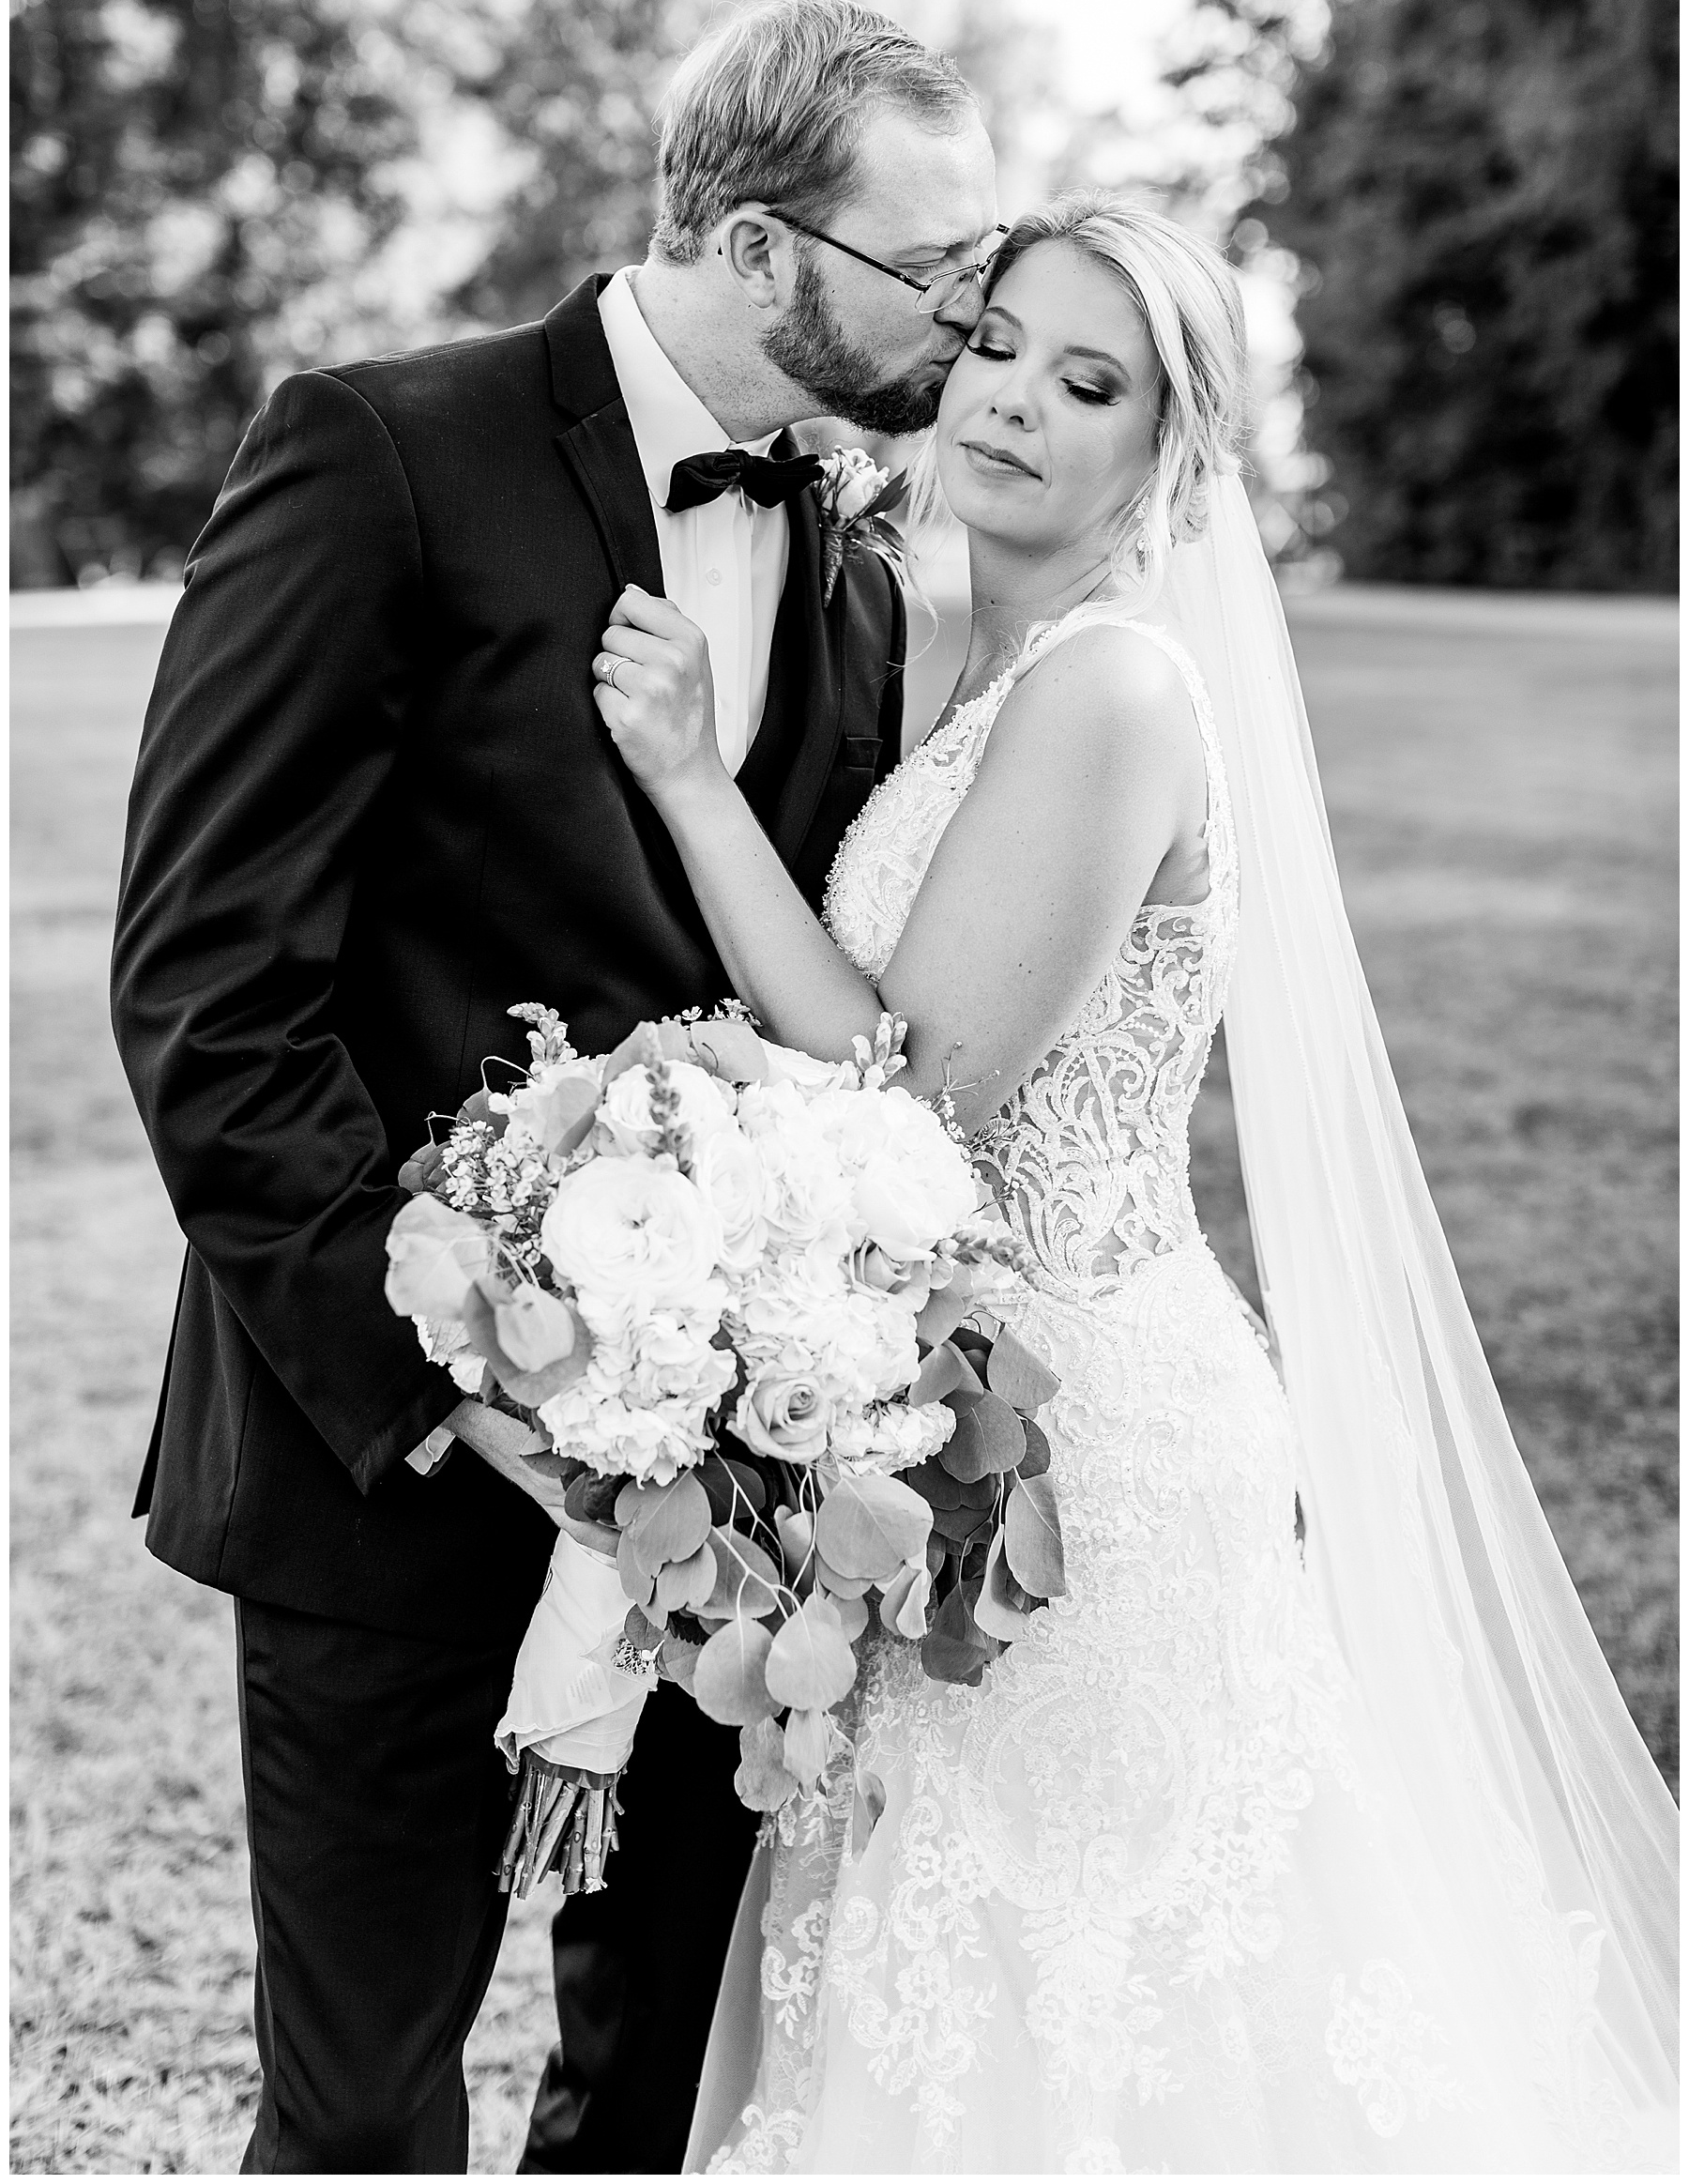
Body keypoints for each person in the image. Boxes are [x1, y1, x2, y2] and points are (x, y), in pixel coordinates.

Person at [589, 191, 1679, 2172]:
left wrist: (679, 777)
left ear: (1168, 453)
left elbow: (904, 1081)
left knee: (1110, 2004)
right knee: (956, 1986)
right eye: (995, 346)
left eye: (1086, 382)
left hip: (1097, 1455)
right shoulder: (952, 668)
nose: (1010, 403)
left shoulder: (1115, 691)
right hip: (949, 1433)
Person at [109, 0, 1000, 2174]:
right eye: (930, 267)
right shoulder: (380, 447)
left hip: (745, 1503)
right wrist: (449, 1393)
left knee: (654, 2113)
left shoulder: (861, 564)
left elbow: (809, 1003)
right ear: (767, 246)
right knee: (362, 2116)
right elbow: (209, 977)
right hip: (388, 1468)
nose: (967, 323)